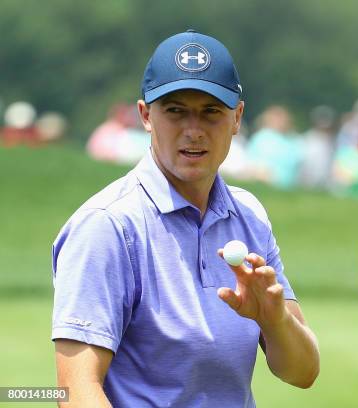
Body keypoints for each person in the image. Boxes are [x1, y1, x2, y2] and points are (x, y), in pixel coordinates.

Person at [51, 30, 320, 407]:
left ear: (237, 117)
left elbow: (302, 372)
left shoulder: (249, 216)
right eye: (175, 110)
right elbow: (76, 392)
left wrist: (275, 322)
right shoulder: (107, 226)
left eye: (211, 111)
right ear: (146, 115)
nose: (193, 130)